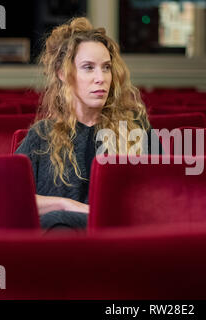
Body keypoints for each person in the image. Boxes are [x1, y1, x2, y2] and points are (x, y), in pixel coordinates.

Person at [15, 17, 158, 231]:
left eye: (106, 67)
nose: (101, 78)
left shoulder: (137, 130)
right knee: (58, 225)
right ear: (63, 74)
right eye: (88, 67)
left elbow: (162, 196)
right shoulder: (42, 135)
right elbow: (8, 195)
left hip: (121, 237)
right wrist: (64, 205)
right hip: (61, 240)